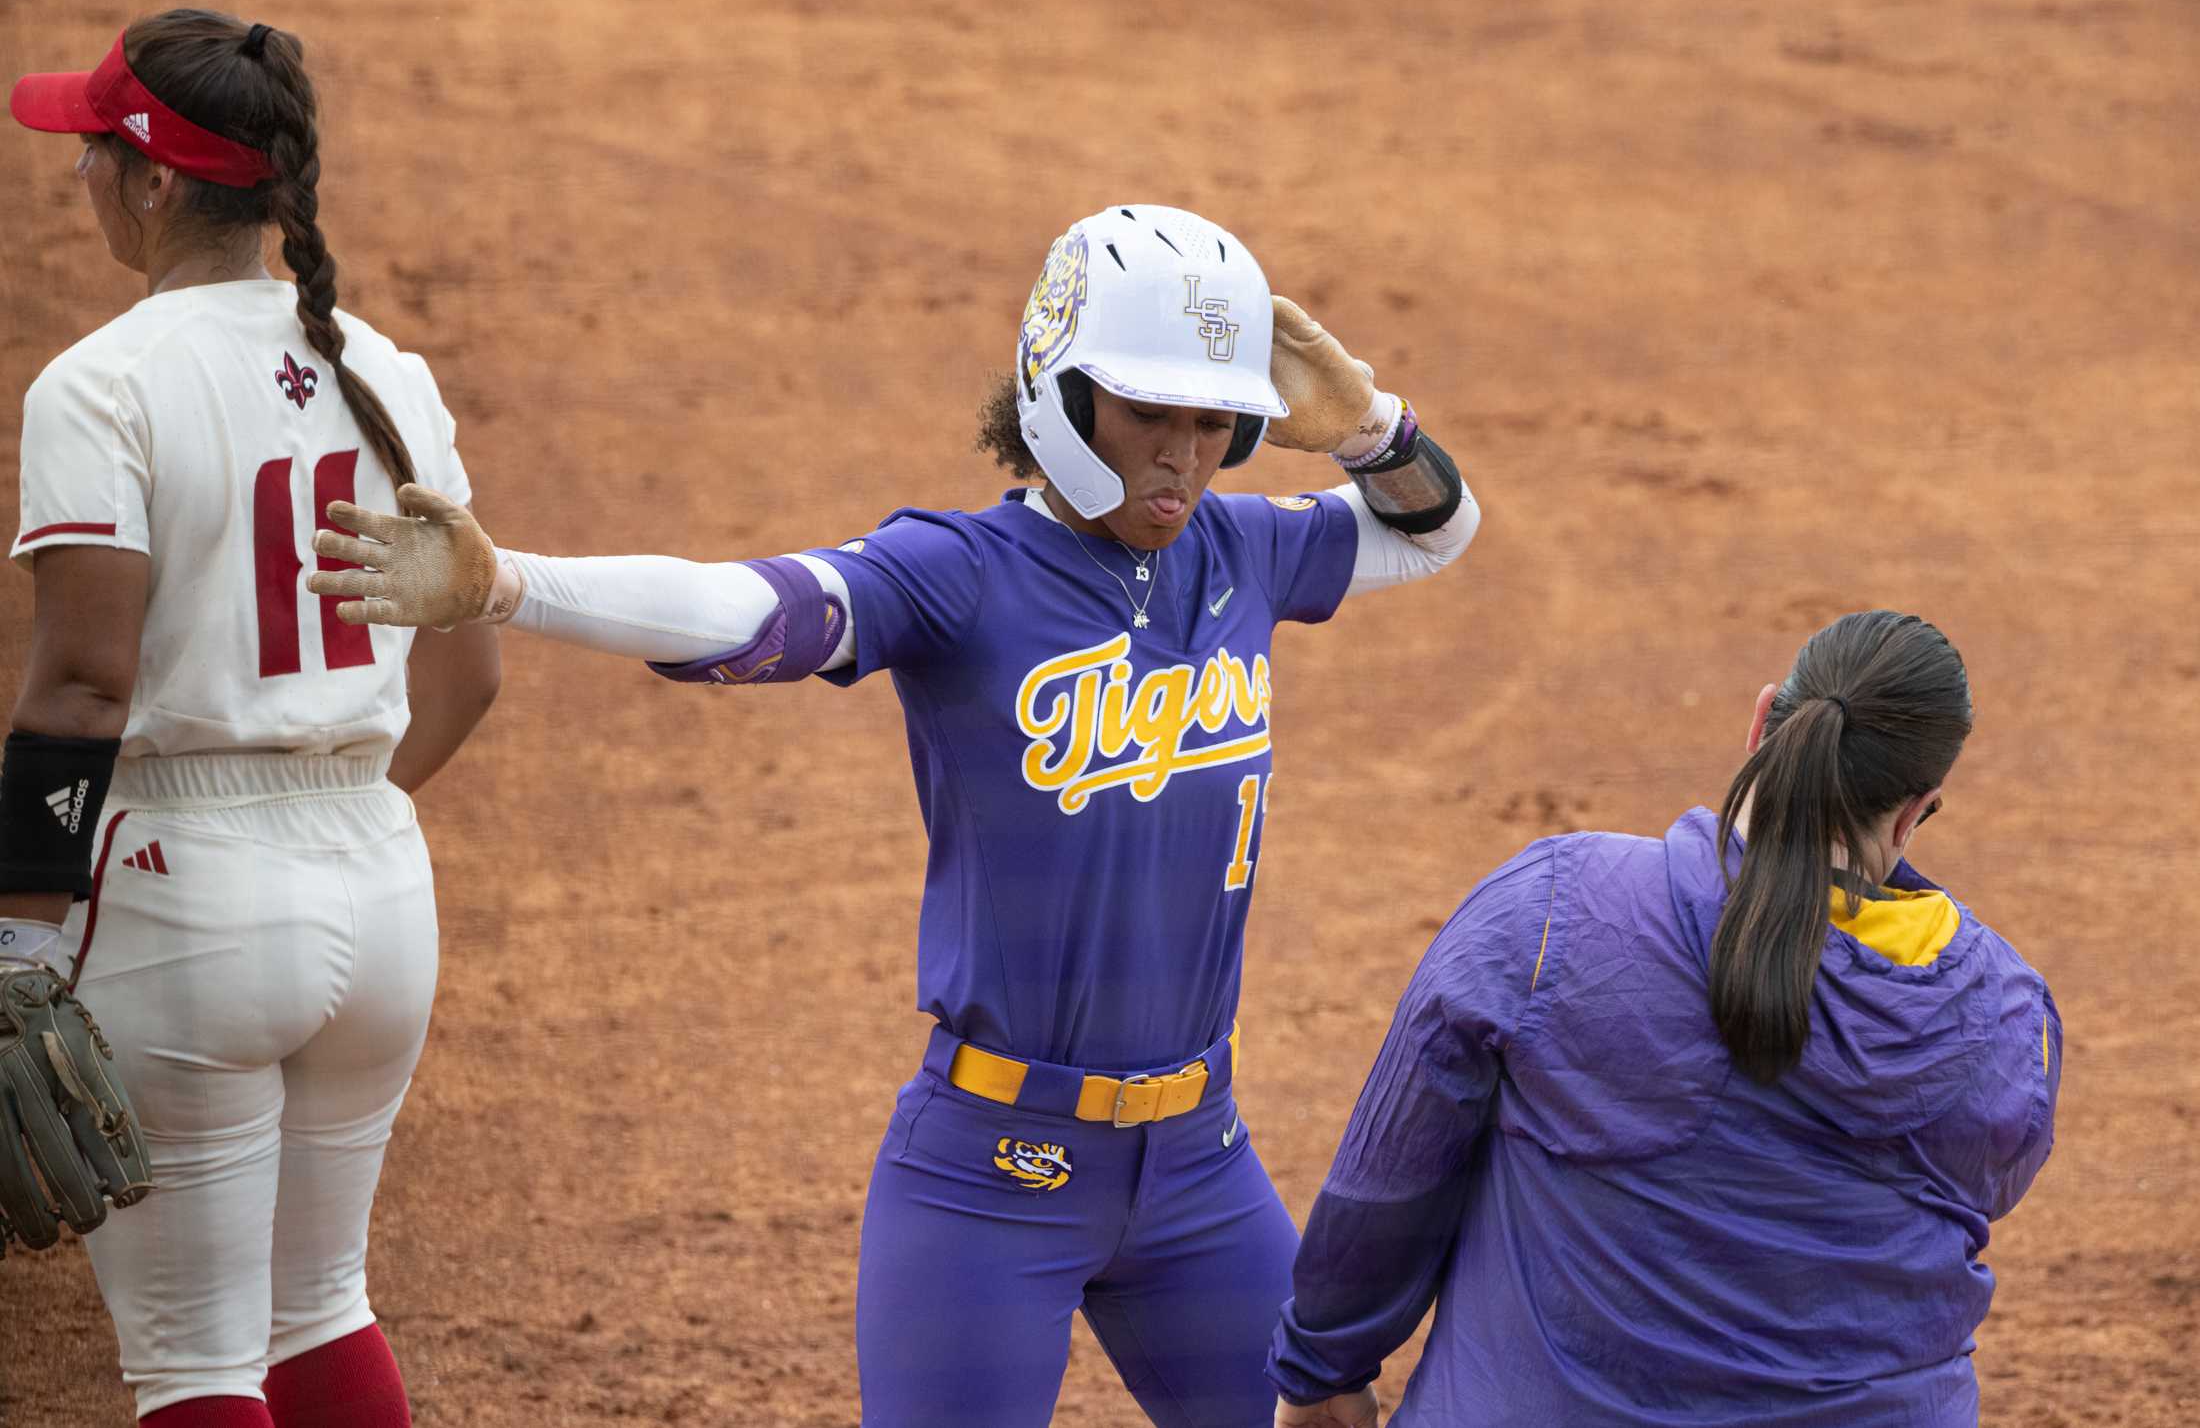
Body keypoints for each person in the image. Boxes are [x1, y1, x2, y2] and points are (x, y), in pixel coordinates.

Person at [306, 203, 1482, 1426]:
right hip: (991, 1177)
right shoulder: (959, 575)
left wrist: (1371, 426)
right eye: (1148, 415)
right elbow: (747, 608)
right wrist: (509, 585)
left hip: (1200, 1164)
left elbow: (1436, 529)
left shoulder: (1240, 550)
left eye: (1210, 422)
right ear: (1063, 397)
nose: (1182, 456)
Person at [3, 10, 498, 1428]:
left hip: (183, 901)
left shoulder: (101, 385)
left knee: (196, 1358)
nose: (79, 174)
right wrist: (329, 811)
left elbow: (85, 685)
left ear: (156, 182)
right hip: (380, 888)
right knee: (319, 1308)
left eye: (96, 152)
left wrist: (20, 935)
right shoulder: (390, 376)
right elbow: (469, 674)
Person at [1266, 610, 2061, 1428]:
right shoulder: (2006, 1016)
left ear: (1761, 723)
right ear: (1913, 811)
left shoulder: (1548, 911)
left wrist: (1323, 1369)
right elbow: (1984, 1178)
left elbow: (1388, 1180)